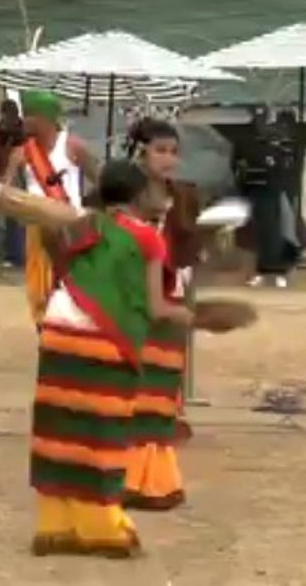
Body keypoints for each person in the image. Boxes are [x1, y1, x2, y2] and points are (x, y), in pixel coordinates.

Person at [0, 158, 194, 558]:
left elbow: (54, 244)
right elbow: (156, 307)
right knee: (100, 432)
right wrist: (190, 314)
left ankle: (55, 526)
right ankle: (101, 529)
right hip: (102, 336)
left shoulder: (91, 222)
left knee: (60, 428)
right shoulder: (149, 239)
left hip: (59, 322)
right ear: (140, 194)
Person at [123, 118, 203, 510]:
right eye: (160, 150)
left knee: (158, 394)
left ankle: (154, 481)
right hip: (127, 299)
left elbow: (191, 250)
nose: (168, 159)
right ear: (141, 151)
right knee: (128, 392)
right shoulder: (122, 192)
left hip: (169, 297)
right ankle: (127, 477)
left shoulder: (186, 197)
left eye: (173, 152)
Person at [0, 91, 97, 326]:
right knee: (39, 291)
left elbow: (101, 180)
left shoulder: (73, 146)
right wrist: (1, 195)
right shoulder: (22, 152)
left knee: (72, 286)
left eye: (31, 115)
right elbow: (4, 188)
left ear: (46, 118)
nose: (26, 122)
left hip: (71, 228)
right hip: (37, 229)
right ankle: (45, 332)